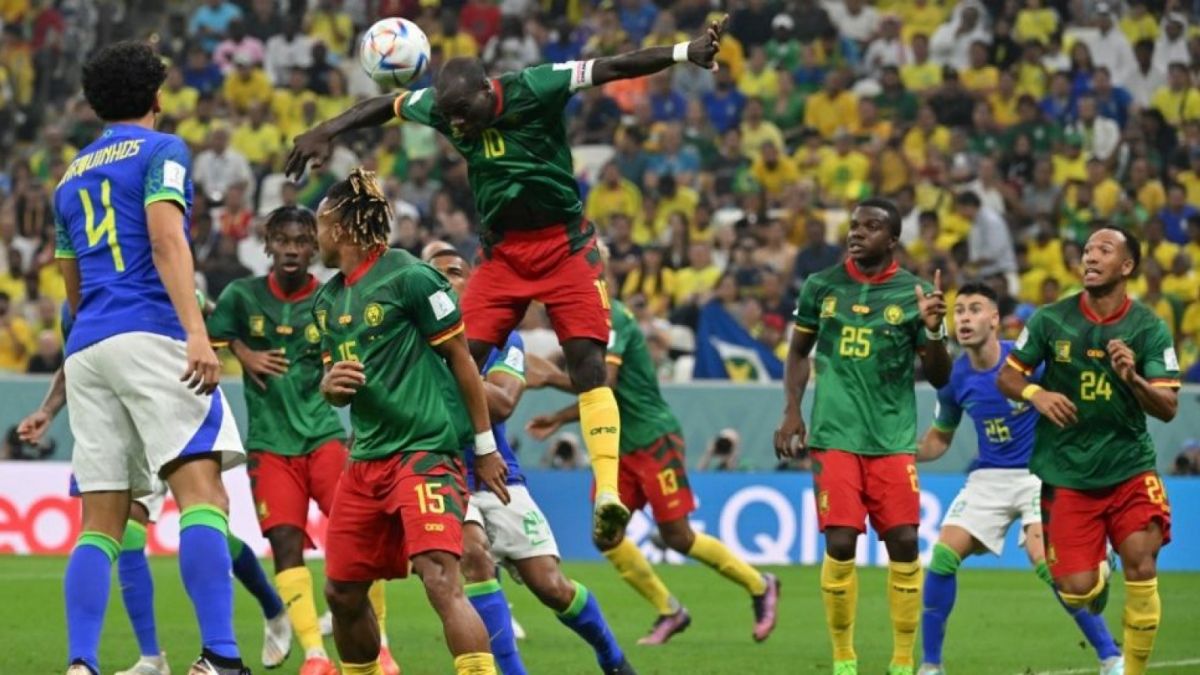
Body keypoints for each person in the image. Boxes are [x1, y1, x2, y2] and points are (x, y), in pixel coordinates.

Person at [286, 17, 728, 542]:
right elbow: (383, 106)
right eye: (449, 118)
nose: (459, 127)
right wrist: (326, 131)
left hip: (565, 247)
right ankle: (456, 472)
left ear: (485, 91)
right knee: (455, 357)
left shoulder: (535, 87)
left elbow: (614, 66)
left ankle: (607, 492)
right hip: (501, 258)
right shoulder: (446, 110)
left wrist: (685, 52)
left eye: (465, 114)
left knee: (588, 361)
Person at [53, 41, 247, 675]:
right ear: (158, 97)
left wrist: (94, 331)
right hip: (151, 332)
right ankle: (219, 655)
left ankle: (80, 663)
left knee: (100, 521)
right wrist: (195, 331)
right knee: (203, 497)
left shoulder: (70, 175)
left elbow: (71, 279)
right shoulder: (163, 152)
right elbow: (167, 241)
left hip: (89, 346)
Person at [18, 300, 293, 675]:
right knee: (130, 530)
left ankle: (271, 607)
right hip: (128, 420)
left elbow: (217, 316)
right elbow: (75, 357)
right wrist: (48, 410)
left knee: (205, 522)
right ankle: (154, 657)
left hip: (168, 393)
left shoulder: (148, 283)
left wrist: (241, 350)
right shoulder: (84, 300)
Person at [528, 242, 780, 646]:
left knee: (678, 536)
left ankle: (760, 584)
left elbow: (603, 385)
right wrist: (557, 421)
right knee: (605, 536)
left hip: (652, 439)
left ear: (599, 271)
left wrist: (549, 380)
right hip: (619, 446)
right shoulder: (582, 320)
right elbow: (601, 399)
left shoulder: (616, 320)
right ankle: (669, 610)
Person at [312, 168, 506, 675]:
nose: (316, 237)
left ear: (343, 226)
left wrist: (484, 448)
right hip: (366, 459)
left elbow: (463, 361)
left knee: (440, 577)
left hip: (424, 452)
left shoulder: (411, 276)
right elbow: (330, 378)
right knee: (341, 592)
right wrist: (329, 385)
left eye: (319, 224)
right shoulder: (327, 300)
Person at [422, 241, 634, 675]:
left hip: (499, 475)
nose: (446, 280)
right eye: (436, 274)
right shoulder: (410, 340)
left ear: (472, 283)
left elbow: (501, 404)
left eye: (455, 272)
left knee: (551, 586)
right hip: (439, 472)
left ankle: (614, 659)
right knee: (475, 556)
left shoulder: (503, 339)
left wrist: (448, 365)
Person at [205, 206, 398, 675]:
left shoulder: (333, 299)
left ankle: (383, 648)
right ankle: (315, 654)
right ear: (266, 243)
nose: (291, 249)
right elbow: (209, 334)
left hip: (325, 438)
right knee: (286, 544)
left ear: (315, 246)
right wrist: (244, 352)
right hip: (270, 444)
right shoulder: (241, 296)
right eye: (282, 240)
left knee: (359, 540)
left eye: (301, 240)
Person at [774, 197, 952, 675]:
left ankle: (900, 661)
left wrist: (934, 332)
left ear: (892, 240)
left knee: (905, 541)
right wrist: (793, 410)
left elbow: (938, 376)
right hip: (834, 435)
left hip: (892, 439)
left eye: (871, 227)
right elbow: (797, 353)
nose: (857, 233)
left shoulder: (915, 294)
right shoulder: (820, 287)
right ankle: (843, 658)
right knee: (839, 543)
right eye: (854, 226)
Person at [914, 282, 1123, 675]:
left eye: (975, 310)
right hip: (988, 479)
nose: (964, 318)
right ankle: (931, 666)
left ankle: (1111, 656)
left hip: (1038, 474)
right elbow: (939, 439)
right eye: (959, 311)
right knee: (942, 558)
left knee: (1044, 562)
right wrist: (899, 453)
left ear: (994, 320)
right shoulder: (954, 379)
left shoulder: (1026, 362)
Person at [998, 227, 1180, 675]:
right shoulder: (1049, 319)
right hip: (1067, 473)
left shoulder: (1148, 328)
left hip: (1128, 467)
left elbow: (1169, 407)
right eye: (1086, 251)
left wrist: (1133, 378)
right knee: (1077, 590)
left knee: (1142, 563)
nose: (1091, 257)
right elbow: (1008, 377)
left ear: (1127, 266)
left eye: (1104, 250)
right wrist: (1036, 393)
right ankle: (1099, 568)